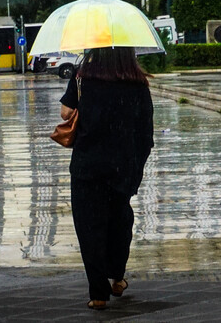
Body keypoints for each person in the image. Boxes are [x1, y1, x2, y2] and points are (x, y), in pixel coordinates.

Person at [60, 47, 154, 310]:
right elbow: (146, 131)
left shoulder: (82, 78)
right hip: (122, 166)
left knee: (89, 227)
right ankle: (118, 276)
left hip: (87, 166)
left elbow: (65, 114)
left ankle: (98, 293)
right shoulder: (137, 85)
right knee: (119, 222)